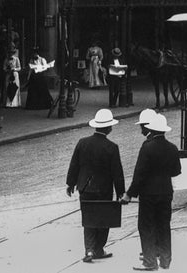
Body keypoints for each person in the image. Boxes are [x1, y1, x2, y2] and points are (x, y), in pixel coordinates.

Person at [66, 108, 127, 264]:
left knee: (88, 219)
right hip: (103, 189)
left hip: (85, 188)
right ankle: (99, 249)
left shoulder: (82, 143)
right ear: (109, 128)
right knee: (103, 219)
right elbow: (117, 173)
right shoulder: (112, 147)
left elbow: (74, 165)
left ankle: (89, 249)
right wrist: (121, 192)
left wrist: (70, 183)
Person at [127, 112, 182, 271]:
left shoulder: (147, 147)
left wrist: (129, 193)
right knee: (164, 225)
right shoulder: (172, 148)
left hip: (148, 194)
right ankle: (165, 260)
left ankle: (150, 262)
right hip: (166, 192)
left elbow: (139, 174)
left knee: (146, 227)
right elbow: (176, 171)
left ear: (151, 128)